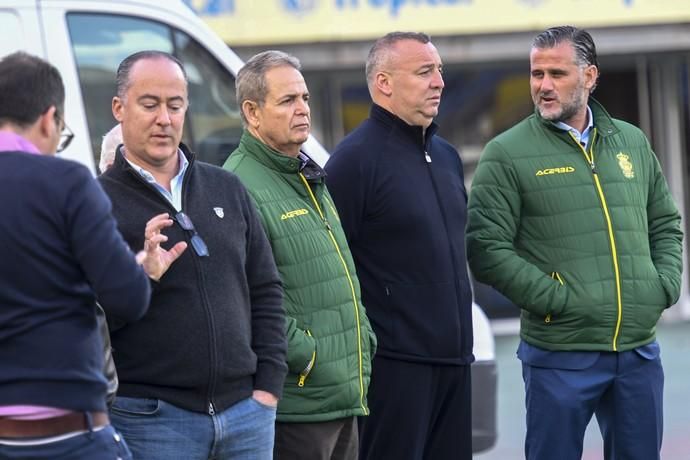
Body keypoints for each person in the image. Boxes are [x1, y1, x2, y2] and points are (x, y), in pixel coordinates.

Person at [466, 26, 683, 460]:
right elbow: (486, 248)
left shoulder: (631, 142)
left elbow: (665, 223)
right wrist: (554, 299)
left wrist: (662, 286)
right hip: (559, 354)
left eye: (557, 74)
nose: (543, 85)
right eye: (536, 73)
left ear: (590, 77)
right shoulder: (507, 153)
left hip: (637, 350)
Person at [98, 50, 288, 460]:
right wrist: (139, 276)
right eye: (149, 105)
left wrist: (268, 388)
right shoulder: (95, 204)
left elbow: (267, 289)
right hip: (151, 420)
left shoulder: (227, 188)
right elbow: (86, 320)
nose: (164, 118)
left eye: (175, 105)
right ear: (119, 108)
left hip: (246, 415)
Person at [326, 32, 474, 460]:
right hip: (394, 370)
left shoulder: (446, 156)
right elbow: (337, 271)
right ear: (384, 83)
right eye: (425, 71)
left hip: (455, 361)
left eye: (440, 71)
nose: (439, 82)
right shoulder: (353, 162)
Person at [224, 50, 376, 460]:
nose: (303, 109)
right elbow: (245, 299)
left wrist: (363, 337)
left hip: (341, 391)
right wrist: (310, 359)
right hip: (299, 401)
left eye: (305, 98)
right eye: (288, 100)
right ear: (252, 113)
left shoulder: (307, 174)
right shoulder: (238, 184)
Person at [0, 51, 151, 459]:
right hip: (69, 428)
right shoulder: (67, 182)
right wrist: (137, 267)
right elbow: (128, 296)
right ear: (49, 119)